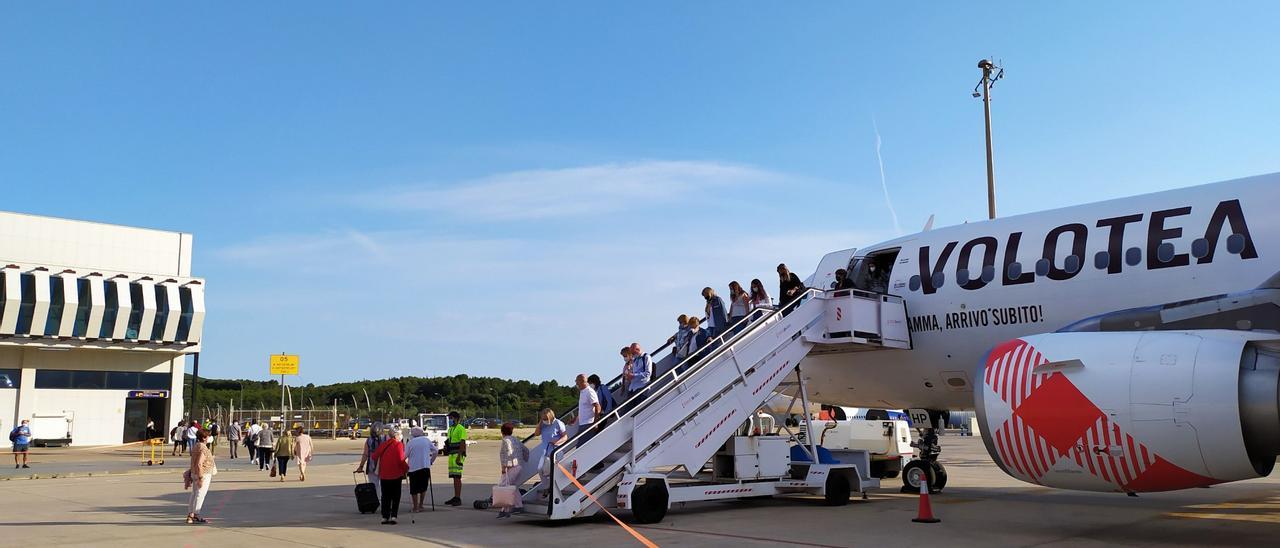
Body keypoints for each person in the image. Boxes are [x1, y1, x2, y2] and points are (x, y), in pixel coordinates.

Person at [370, 429, 408, 525]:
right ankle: (393, 516)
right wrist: (406, 468)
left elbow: (374, 456)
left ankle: (385, 516)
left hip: (384, 474)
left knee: (385, 496)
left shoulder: (384, 444)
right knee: (395, 496)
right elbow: (401, 459)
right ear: (396, 436)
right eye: (400, 435)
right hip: (395, 474)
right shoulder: (399, 444)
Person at [496, 422, 528, 518]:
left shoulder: (505, 441)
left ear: (502, 432)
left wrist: (504, 467)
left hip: (512, 467)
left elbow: (508, 453)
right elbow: (526, 450)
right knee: (513, 486)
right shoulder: (515, 439)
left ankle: (505, 510)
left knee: (504, 486)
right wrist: (524, 460)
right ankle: (518, 506)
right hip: (519, 466)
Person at [534, 408, 568, 499]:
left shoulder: (558, 423)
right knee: (540, 469)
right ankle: (547, 487)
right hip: (545, 451)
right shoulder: (543, 424)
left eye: (546, 418)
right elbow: (536, 433)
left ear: (551, 417)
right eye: (543, 418)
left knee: (553, 470)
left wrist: (557, 442)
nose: (545, 420)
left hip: (556, 450)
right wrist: (540, 422)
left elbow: (565, 437)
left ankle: (554, 488)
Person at [186, 429, 217, 524]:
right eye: (208, 436)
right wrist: (200, 478)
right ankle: (194, 514)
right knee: (200, 494)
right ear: (204, 437)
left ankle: (191, 513)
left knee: (194, 494)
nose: (209, 438)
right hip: (203, 473)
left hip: (195, 472)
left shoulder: (196, 446)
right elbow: (199, 463)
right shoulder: (203, 448)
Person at [405, 426, 437, 512]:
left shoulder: (411, 442)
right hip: (425, 467)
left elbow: (404, 455)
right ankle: (421, 505)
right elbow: (435, 450)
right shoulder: (426, 440)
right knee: (423, 487)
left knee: (414, 488)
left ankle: (415, 507)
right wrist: (431, 461)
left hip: (414, 468)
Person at [354, 422, 386, 499]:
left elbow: (365, 454)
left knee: (373, 485)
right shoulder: (386, 439)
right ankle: (385, 502)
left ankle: (374, 501)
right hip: (384, 465)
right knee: (384, 485)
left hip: (372, 465)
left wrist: (361, 466)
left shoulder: (369, 440)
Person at [444, 411, 467, 506]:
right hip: (451, 455)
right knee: (454, 477)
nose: (449, 420)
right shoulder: (450, 429)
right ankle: (455, 496)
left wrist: (459, 457)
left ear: (455, 418)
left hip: (457, 455)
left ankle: (458, 498)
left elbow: (462, 443)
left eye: (451, 418)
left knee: (457, 477)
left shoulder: (461, 428)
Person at [574, 373, 600, 442]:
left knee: (582, 448)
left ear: (582, 382)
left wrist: (596, 422)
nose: (576, 384)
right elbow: (584, 408)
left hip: (588, 424)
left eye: (577, 382)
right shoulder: (582, 392)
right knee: (581, 447)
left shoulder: (589, 392)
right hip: (583, 423)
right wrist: (576, 418)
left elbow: (597, 406)